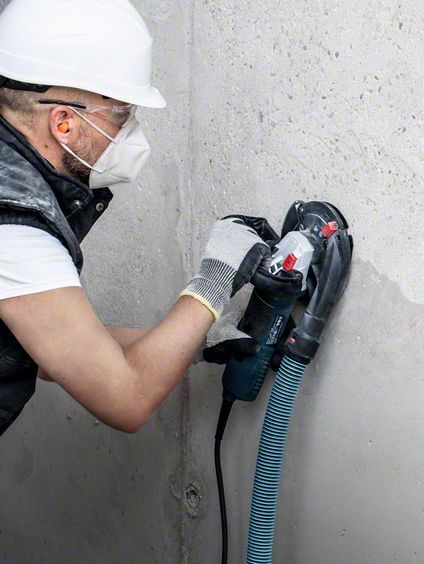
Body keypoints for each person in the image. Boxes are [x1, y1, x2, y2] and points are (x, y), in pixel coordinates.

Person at [0, 0, 276, 437]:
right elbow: (126, 399)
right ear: (63, 123)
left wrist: (192, 344)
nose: (131, 133)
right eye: (121, 115)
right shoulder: (16, 228)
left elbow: (54, 348)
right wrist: (214, 280)